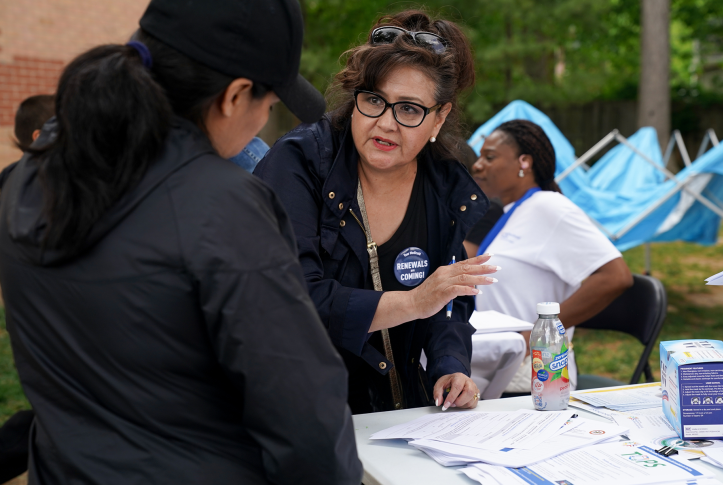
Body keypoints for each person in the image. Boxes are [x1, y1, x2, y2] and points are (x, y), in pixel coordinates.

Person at [0, 0, 362, 483]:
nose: (263, 122)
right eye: (270, 105)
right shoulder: (224, 208)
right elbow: (303, 410)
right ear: (235, 96)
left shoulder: (22, 180)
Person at [255, 10, 499, 414]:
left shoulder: (442, 186)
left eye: (408, 110)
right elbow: (292, 302)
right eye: (373, 100)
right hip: (297, 411)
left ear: (439, 117)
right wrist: (414, 302)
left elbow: (449, 304)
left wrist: (449, 366)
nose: (386, 123)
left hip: (398, 417)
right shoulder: (299, 163)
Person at [464, 119, 633, 392]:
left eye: (489, 157)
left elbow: (616, 277)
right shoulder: (513, 212)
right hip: (496, 367)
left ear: (524, 162)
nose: (478, 164)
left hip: (533, 377)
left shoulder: (550, 208)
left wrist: (538, 335)